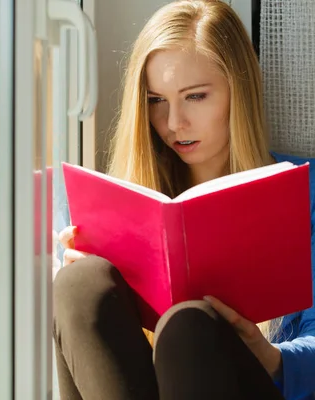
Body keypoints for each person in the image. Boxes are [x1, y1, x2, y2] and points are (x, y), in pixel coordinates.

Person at [52, 1, 315, 399]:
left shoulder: (306, 193)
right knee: (78, 282)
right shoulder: (118, 202)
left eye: (195, 96)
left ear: (237, 91)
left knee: (189, 326)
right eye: (157, 100)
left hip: (257, 383)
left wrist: (272, 356)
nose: (174, 123)